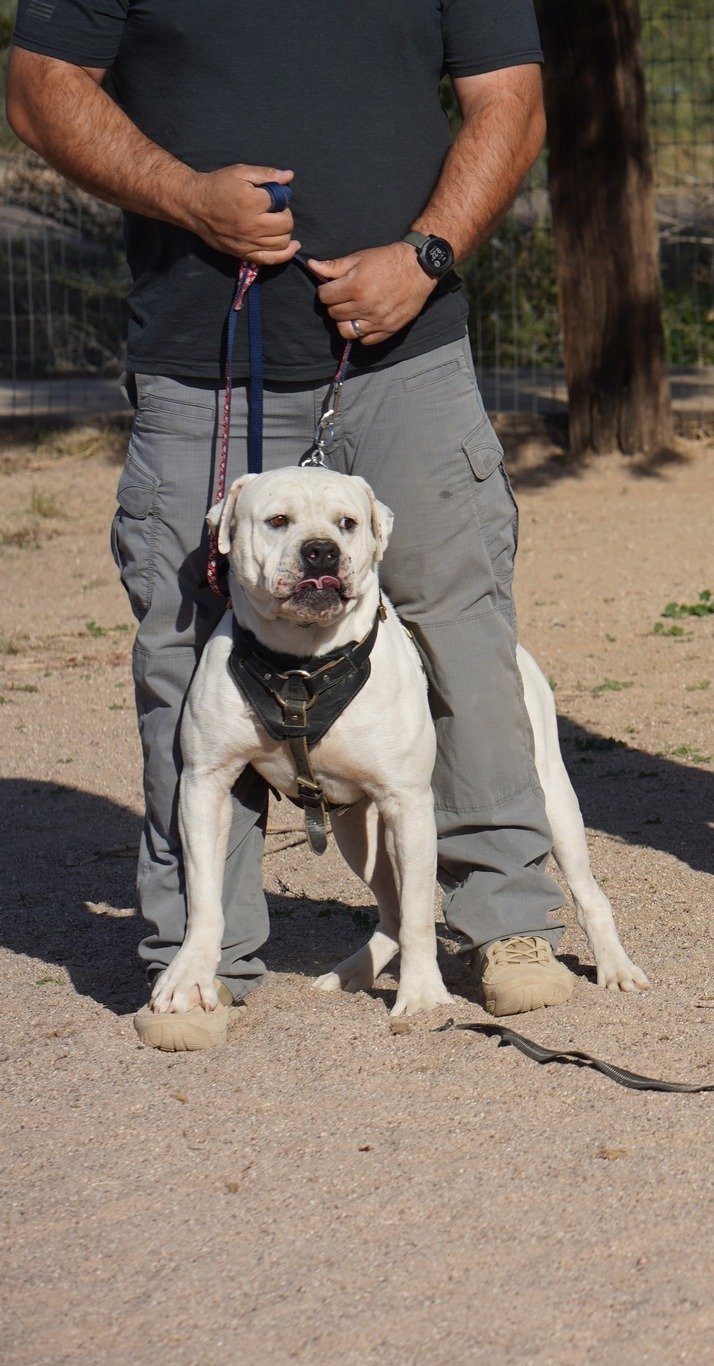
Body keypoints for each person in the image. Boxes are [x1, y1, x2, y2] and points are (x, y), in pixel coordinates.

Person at [8, 0, 580, 1048]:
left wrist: (427, 254)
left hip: (408, 349)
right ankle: (200, 954)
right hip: (200, 358)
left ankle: (506, 923)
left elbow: (513, 101)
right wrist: (185, 197)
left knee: (462, 628)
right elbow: (42, 88)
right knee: (185, 649)